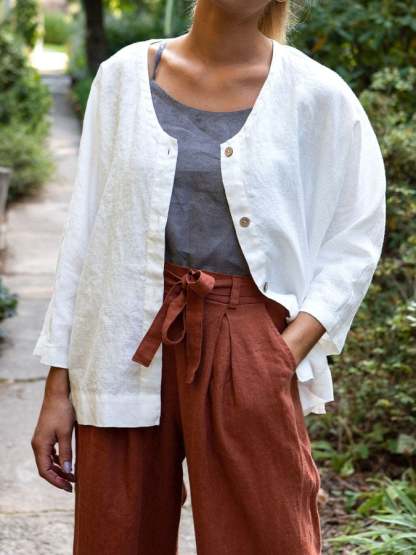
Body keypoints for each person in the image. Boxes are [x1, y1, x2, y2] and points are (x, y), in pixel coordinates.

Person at [30, 1, 386, 554]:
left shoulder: (318, 95)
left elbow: (356, 233)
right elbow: (86, 235)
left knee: (266, 537)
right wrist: (59, 385)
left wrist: (288, 348)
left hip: (247, 341)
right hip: (122, 337)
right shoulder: (122, 77)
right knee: (117, 534)